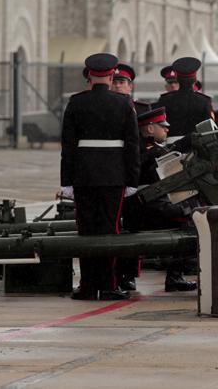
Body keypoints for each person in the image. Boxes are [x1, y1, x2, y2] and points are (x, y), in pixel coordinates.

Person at [60, 53, 139, 301]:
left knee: (86, 230)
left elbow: (68, 146)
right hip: (113, 175)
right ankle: (107, 285)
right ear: (112, 74)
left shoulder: (76, 102)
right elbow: (132, 146)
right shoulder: (123, 103)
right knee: (109, 230)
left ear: (90, 75)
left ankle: (87, 285)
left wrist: (66, 181)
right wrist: (132, 180)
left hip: (83, 175)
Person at [117, 107, 197, 293]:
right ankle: (174, 277)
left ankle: (131, 278)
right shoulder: (138, 149)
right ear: (150, 129)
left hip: (151, 204)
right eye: (163, 126)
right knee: (190, 219)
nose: (167, 130)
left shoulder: (154, 149)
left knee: (189, 213)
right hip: (143, 207)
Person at [154, 57, 215, 142]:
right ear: (195, 80)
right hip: (196, 146)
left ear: (178, 79)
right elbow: (209, 129)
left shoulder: (165, 100)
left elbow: (158, 126)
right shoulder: (204, 101)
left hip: (171, 147)